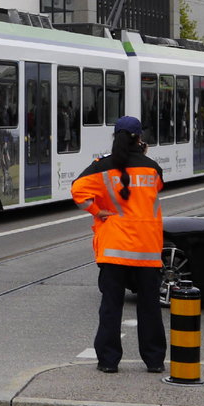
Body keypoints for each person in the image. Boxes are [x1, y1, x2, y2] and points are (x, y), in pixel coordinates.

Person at [71, 116, 166, 374]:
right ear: (140, 138)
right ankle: (155, 361)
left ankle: (108, 361)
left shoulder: (101, 166)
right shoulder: (152, 168)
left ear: (115, 137)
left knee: (111, 307)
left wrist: (96, 210)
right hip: (147, 248)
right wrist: (142, 156)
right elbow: (157, 187)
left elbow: (77, 190)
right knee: (150, 307)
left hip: (114, 248)